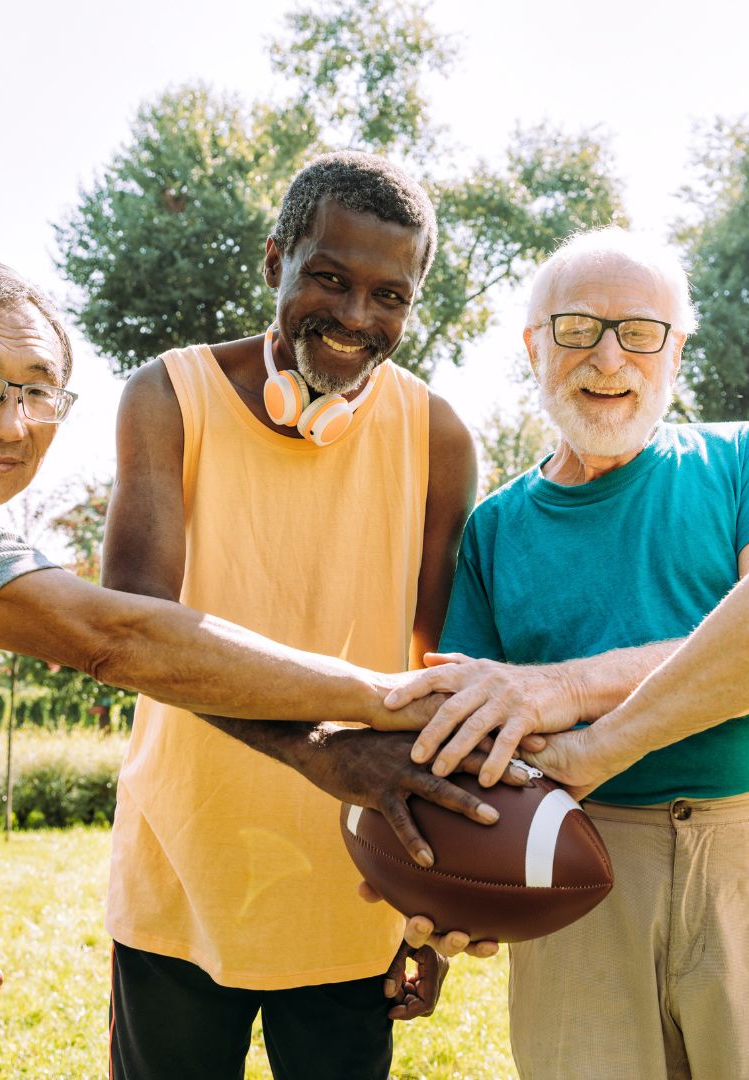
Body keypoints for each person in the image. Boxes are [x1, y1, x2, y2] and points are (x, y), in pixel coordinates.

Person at [399, 108, 749, 1078]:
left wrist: (562, 696)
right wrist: (452, 890)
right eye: (578, 331)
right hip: (583, 862)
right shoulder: (495, 527)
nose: (609, 359)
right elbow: (472, 730)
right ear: (532, 345)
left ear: (678, 349)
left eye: (639, 332)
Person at [0, 255, 505, 1080]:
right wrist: (367, 708)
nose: (10, 424)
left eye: (36, 390)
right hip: (167, 875)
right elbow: (118, 638)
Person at [99, 151, 496, 1080]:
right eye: (329, 277)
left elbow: (446, 676)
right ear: (273, 258)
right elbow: (134, 639)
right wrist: (325, 749)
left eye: (390, 296)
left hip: (355, 886)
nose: (358, 317)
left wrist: (429, 903)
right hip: (180, 876)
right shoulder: (167, 396)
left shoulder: (439, 437)